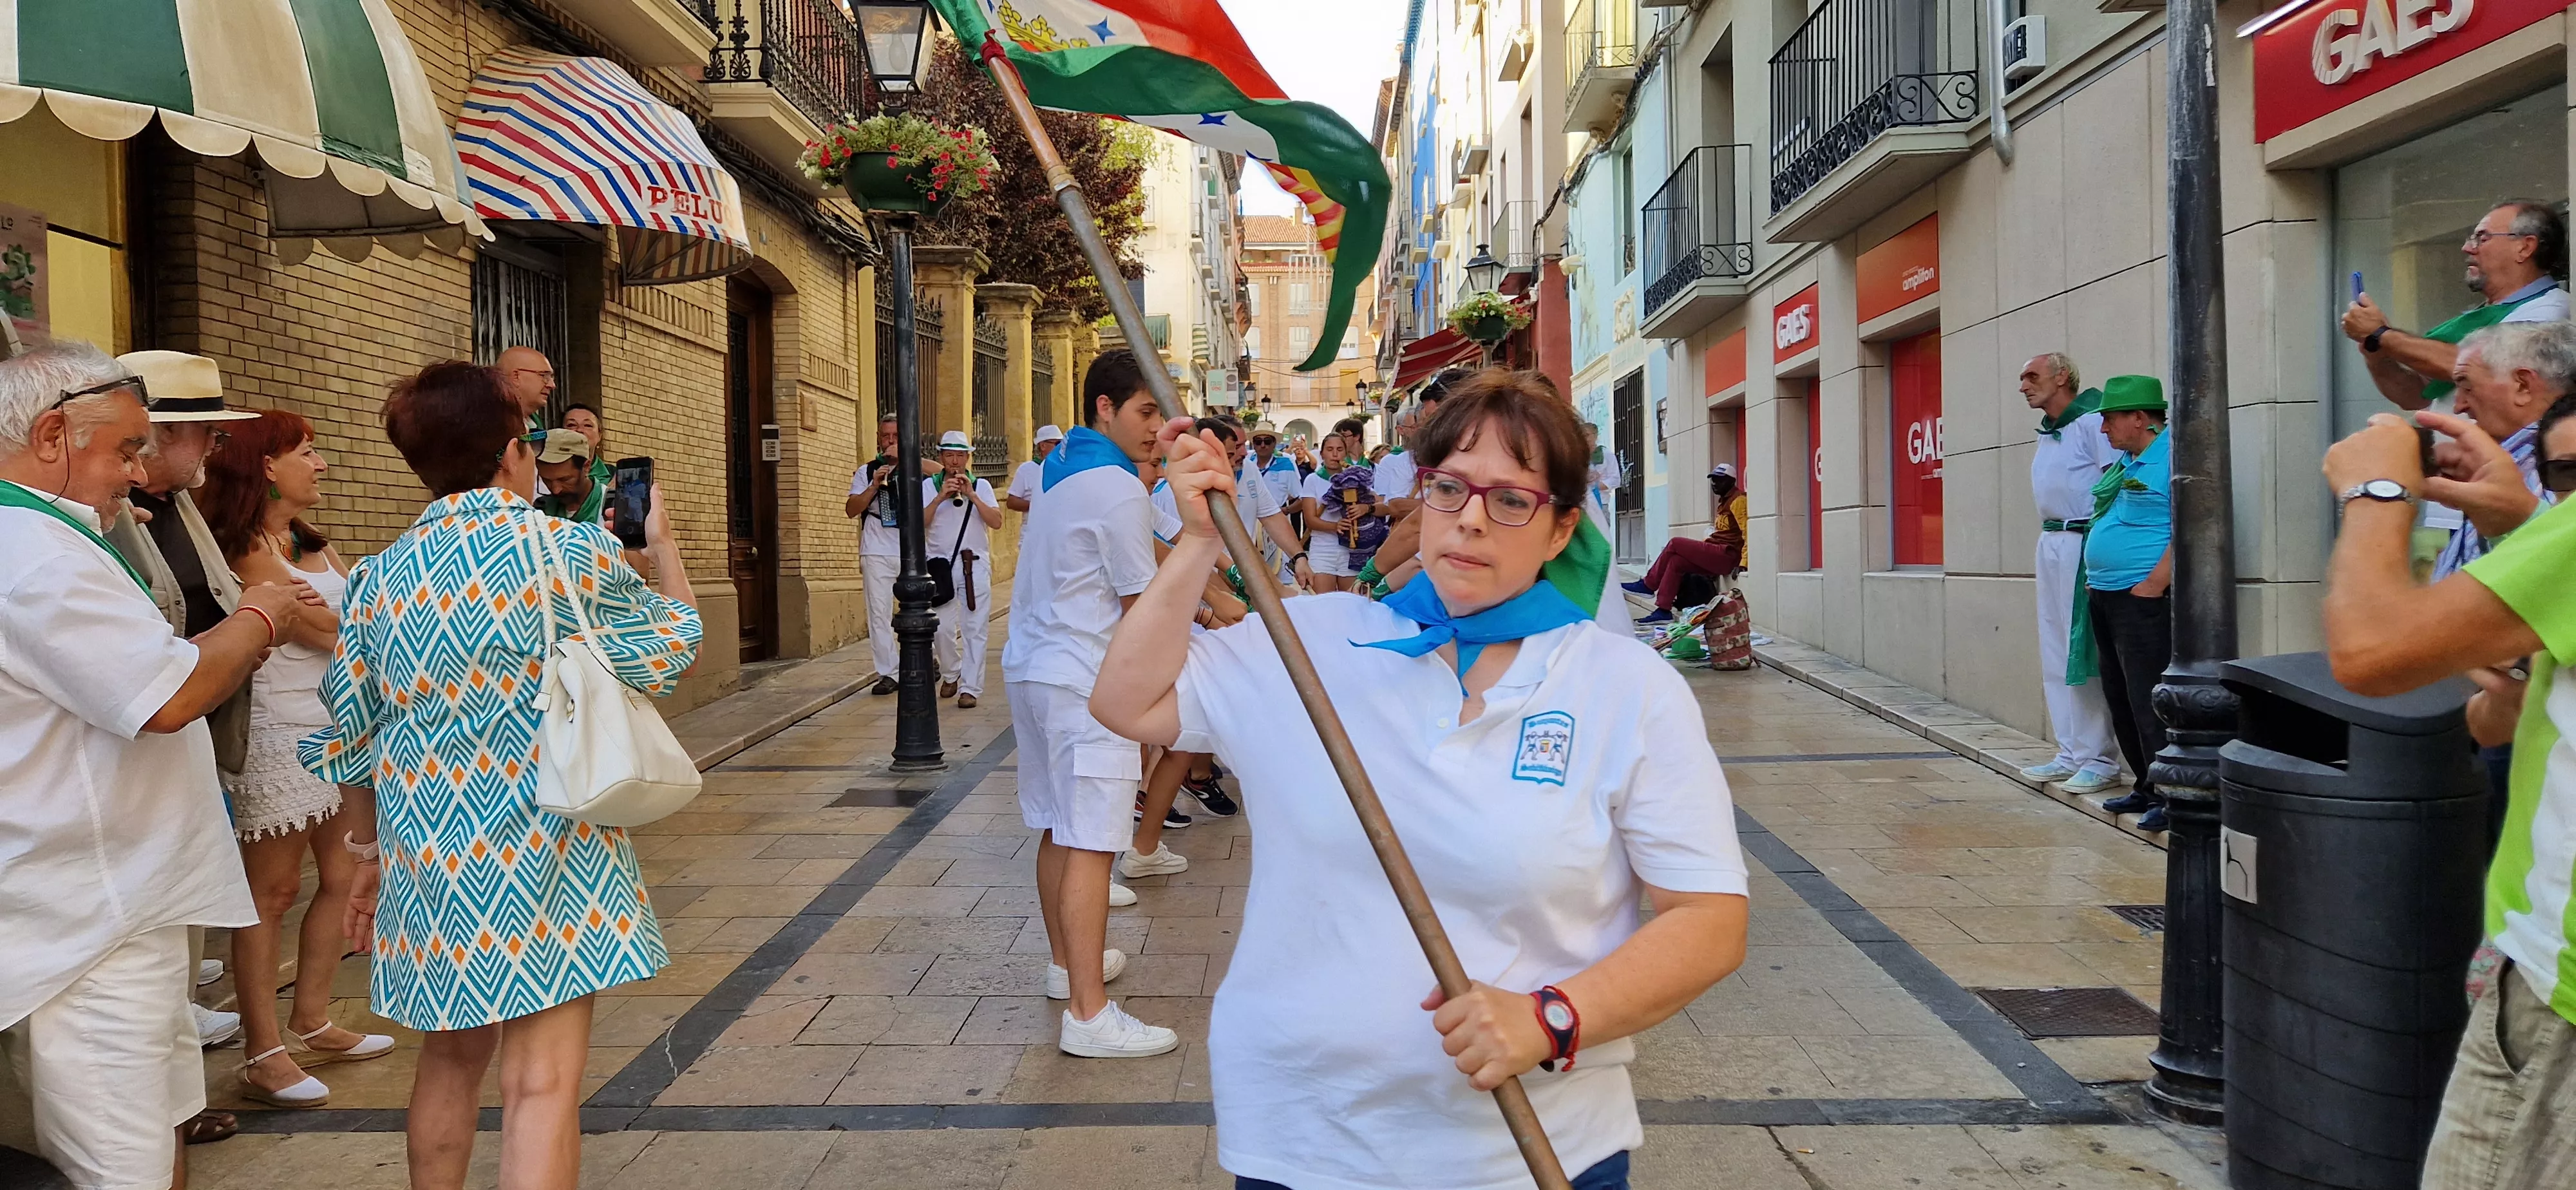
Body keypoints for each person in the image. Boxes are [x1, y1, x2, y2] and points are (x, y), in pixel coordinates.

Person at [1091, 370, 1751, 1190]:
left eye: (1511, 500)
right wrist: (1195, 542)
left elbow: (1710, 919)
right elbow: (1128, 701)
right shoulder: (1312, 644)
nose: (1471, 518)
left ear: (1559, 530)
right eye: (1449, 489)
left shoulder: (1625, 687)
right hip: (1302, 1139)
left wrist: (1552, 1019)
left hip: (1533, 1148)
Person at [298, 361, 701, 1189]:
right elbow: (672, 647)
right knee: (540, 1082)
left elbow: (355, 734)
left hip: (428, 852)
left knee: (447, 1061)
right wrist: (660, 546)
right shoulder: (568, 552)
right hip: (549, 842)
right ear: (513, 451)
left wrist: (366, 863)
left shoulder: (376, 579)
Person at [0, 342, 298, 1190]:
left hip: (124, 907)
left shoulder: (52, 538)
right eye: (126, 448)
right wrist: (262, 616)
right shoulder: (34, 557)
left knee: (158, 1129)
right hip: (90, 926)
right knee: (121, 1164)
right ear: (53, 433)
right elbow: (167, 697)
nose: (139, 473)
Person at [2318, 406, 2576, 1190]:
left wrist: (2378, 485)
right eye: (2563, 473)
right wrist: (2529, 522)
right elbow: (2495, 721)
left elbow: (2368, 651)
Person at [194, 408, 394, 1108]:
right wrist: (346, 625)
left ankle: (311, 1019)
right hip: (279, 735)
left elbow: (356, 626)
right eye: (307, 452)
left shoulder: (312, 540)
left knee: (342, 877)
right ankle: (263, 1050)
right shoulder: (244, 544)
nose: (323, 464)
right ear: (266, 466)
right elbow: (323, 636)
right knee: (271, 895)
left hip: (340, 731)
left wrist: (347, 623)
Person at [999, 350, 1181, 1058]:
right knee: (1089, 842)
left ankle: (1064, 967)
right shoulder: (1117, 485)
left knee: (1057, 826)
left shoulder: (1062, 468)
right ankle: (1089, 1013)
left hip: (1038, 669)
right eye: (1145, 411)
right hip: (1085, 681)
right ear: (1105, 407)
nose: (1156, 428)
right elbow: (1145, 604)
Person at [98, 350, 262, 1082]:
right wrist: (259, 622)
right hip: (142, 764)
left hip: (202, 746)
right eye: (206, 434)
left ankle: (174, 1087)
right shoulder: (107, 523)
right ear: (158, 435)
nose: (214, 450)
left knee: (185, 934)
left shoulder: (180, 505)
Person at [2343, 200, 2570, 413]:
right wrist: (2377, 354)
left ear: (2525, 247)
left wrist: (2382, 335)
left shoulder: (2551, 309)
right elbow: (2414, 395)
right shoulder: (2482, 315)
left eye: (2483, 238)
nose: (2467, 248)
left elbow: (2478, 367)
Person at [2014, 352, 2122, 795]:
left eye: (2032, 376)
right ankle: (2070, 751)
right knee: (2056, 648)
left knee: (2083, 650)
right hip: (2052, 543)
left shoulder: (2092, 423)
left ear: (2062, 378)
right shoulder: (2050, 435)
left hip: (2082, 542)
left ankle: (2099, 758)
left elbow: (2114, 482)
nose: (2024, 385)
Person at [2082, 377, 2176, 833]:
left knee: (2148, 696)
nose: (2104, 428)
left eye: (2110, 418)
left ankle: (2170, 794)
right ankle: (2145, 782)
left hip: (2141, 597)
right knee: (2119, 695)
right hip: (2105, 593)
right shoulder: (2126, 461)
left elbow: (2192, 525)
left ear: (2140, 418)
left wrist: (2157, 582)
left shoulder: (2173, 457)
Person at [2432, 323, 2572, 579]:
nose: (2459, 406)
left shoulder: (2549, 472)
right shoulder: (2511, 462)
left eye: (2467, 386)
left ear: (2523, 385)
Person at [927, 430, 1000, 709]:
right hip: (939, 566)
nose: (955, 461)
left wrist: (972, 496)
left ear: (968, 457)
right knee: (940, 628)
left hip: (974, 564)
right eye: (949, 455)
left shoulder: (982, 486)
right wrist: (939, 499)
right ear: (941, 458)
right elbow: (919, 522)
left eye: (960, 455)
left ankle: (971, 688)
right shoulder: (928, 487)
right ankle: (951, 673)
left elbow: (996, 522)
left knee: (975, 628)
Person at [1621, 464, 1747, 625]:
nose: (1715, 484)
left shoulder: (1738, 501)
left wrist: (1744, 562)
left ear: (1731, 481)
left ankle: (1648, 585)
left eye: (1720, 480)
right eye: (1713, 480)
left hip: (1726, 555)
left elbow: (1747, 532)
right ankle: (1663, 610)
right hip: (1717, 552)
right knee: (1677, 562)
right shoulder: (1724, 502)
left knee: (1675, 543)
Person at [848, 414, 904, 696]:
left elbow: (936, 470)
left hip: (910, 549)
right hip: (876, 548)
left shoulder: (917, 468)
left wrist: (905, 460)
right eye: (886, 437)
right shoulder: (867, 470)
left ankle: (925, 659)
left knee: (920, 607)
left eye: (896, 437)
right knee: (879, 613)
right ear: (879, 438)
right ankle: (889, 673)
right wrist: (874, 484)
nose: (890, 442)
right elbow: (851, 509)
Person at [1298, 431, 1382, 594]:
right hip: (1323, 551)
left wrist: (1366, 508)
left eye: (1339, 449)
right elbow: (1310, 520)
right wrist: (1335, 526)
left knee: (1351, 605)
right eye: (1329, 450)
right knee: (1322, 604)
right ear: (1322, 454)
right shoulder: (1313, 480)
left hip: (1352, 552)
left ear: (1346, 453)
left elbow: (1384, 505)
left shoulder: (1355, 479)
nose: (1335, 454)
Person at [533, 429, 606, 525]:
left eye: (565, 480)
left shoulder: (612, 506)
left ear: (587, 467)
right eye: (547, 480)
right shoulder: (541, 509)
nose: (556, 490)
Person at [494, 345, 556, 429]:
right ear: (516, 377)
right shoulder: (490, 421)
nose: (552, 385)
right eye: (544, 376)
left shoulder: (534, 422)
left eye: (551, 377)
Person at [1006, 424, 1064, 514]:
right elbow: (1011, 502)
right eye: (1057, 444)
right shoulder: (1026, 469)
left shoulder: (1064, 469)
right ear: (1043, 446)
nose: (1061, 448)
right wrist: (1036, 506)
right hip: (1032, 527)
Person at [559, 401, 613, 493]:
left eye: (588, 425)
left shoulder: (615, 477)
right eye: (571, 425)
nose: (580, 430)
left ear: (599, 435)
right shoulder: (546, 473)